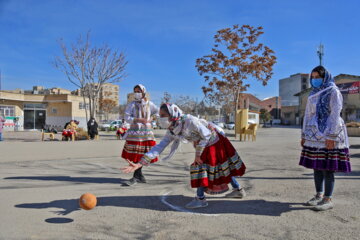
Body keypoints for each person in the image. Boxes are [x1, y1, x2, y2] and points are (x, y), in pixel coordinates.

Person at [122, 103, 246, 209]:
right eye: (160, 116)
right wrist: (139, 164)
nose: (161, 118)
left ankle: (200, 199)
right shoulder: (172, 129)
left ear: (172, 114)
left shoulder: (189, 121)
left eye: (164, 115)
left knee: (201, 167)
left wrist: (198, 154)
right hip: (203, 143)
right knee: (218, 168)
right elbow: (159, 147)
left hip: (214, 141)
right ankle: (238, 190)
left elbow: (207, 135)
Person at [299, 66, 351, 211]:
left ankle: (328, 198)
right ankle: (318, 195)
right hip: (314, 135)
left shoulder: (333, 91)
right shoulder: (312, 94)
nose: (314, 80)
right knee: (317, 167)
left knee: (328, 168)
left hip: (330, 132)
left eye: (317, 77)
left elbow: (335, 113)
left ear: (325, 77)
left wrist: (331, 136)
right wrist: (303, 134)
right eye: (313, 78)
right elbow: (308, 115)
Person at [121, 84, 159, 186]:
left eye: (139, 91)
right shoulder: (132, 104)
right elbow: (127, 117)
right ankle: (139, 175)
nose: (137, 93)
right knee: (135, 154)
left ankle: (137, 176)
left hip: (146, 132)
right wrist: (137, 119)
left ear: (143, 92)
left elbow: (158, 112)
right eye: (135, 91)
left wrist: (152, 118)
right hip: (135, 133)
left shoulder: (149, 104)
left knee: (143, 154)